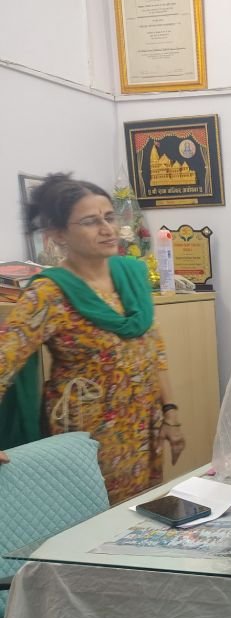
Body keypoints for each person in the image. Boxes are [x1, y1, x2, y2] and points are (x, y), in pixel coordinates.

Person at [0, 173, 185, 504]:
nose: (107, 229)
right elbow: (4, 359)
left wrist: (170, 414)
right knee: (92, 521)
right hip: (85, 437)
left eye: (109, 217)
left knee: (138, 517)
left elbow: (154, 351)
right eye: (90, 222)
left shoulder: (132, 276)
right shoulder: (50, 293)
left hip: (142, 427)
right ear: (58, 234)